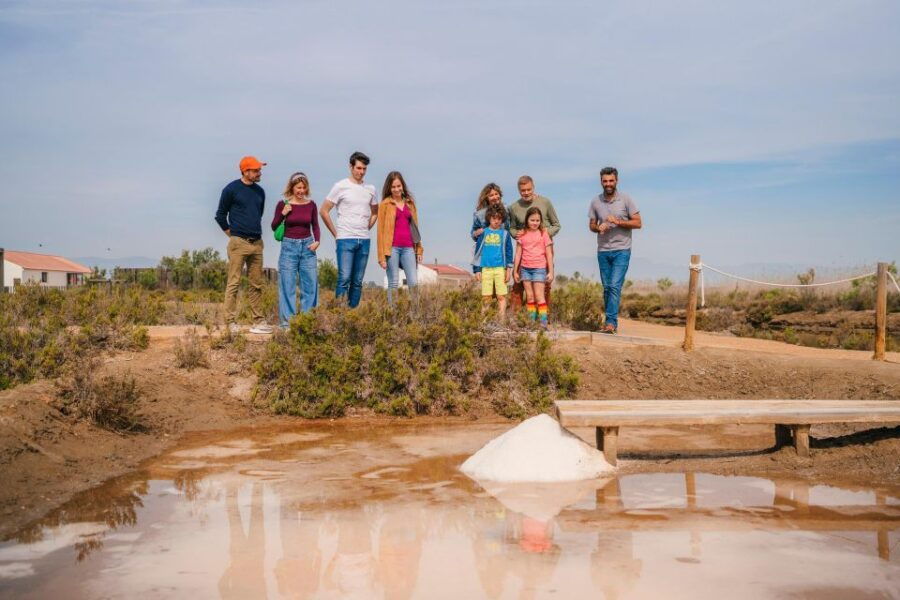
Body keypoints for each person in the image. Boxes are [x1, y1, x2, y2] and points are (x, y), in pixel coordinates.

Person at [214, 155, 273, 334]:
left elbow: (258, 214)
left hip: (257, 243)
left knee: (256, 284)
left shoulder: (260, 192)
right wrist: (233, 236)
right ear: (245, 171)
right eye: (255, 170)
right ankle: (230, 322)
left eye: (259, 170)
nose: (259, 173)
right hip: (238, 243)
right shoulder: (230, 189)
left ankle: (258, 321)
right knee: (234, 282)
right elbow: (220, 215)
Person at [320, 151, 378, 308]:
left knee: (357, 282)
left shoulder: (371, 189)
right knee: (344, 278)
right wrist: (335, 233)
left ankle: (351, 316)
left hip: (364, 240)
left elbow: (375, 212)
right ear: (351, 167)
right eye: (358, 168)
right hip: (345, 239)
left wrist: (367, 227)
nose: (361, 172)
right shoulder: (340, 186)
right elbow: (324, 210)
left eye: (364, 169)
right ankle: (339, 315)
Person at [588, 167, 642, 334]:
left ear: (616, 181)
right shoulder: (595, 201)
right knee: (606, 287)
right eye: (605, 181)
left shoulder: (626, 199)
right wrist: (598, 228)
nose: (608, 184)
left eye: (611, 180)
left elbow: (638, 223)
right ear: (601, 182)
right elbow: (591, 225)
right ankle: (609, 323)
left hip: (622, 250)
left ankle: (611, 324)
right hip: (603, 250)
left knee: (614, 286)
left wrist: (618, 222)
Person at [271, 172, 320, 329]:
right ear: (292, 188)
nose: (301, 191)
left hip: (307, 247)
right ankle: (287, 325)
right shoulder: (282, 204)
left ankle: (308, 323)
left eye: (304, 188)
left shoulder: (311, 205)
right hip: (289, 247)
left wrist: (317, 241)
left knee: (310, 286)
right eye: (298, 187)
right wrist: (283, 214)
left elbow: (315, 225)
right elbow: (273, 226)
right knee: (287, 286)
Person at [507, 176, 561, 310]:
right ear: (519, 190)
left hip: (544, 248)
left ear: (533, 187)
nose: (526, 193)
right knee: (518, 283)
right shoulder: (514, 207)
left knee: (545, 283)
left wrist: (544, 234)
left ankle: (544, 317)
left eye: (528, 189)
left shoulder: (545, 202)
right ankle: (517, 317)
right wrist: (516, 233)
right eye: (522, 190)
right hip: (524, 249)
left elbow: (556, 225)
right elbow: (512, 228)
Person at [377, 171, 423, 306]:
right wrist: (381, 257)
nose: (396, 189)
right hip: (392, 249)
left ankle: (416, 315)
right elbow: (380, 232)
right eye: (393, 187)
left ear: (402, 185)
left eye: (398, 186)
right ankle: (394, 316)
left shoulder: (410, 203)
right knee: (393, 282)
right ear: (389, 188)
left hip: (409, 248)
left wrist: (419, 249)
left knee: (413, 283)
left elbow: (416, 228)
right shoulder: (385, 204)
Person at [513, 206, 554, 326]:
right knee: (530, 297)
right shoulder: (522, 235)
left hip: (539, 269)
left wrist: (550, 271)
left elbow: (549, 254)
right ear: (527, 220)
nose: (535, 223)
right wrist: (515, 271)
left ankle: (543, 324)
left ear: (540, 221)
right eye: (532, 220)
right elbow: (518, 254)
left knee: (540, 297)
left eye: (537, 220)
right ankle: (531, 323)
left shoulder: (544, 234)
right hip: (525, 269)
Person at [472, 205, 514, 318]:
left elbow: (509, 252)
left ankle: (501, 321)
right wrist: (477, 270)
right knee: (486, 296)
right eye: (494, 218)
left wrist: (509, 270)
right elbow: (478, 252)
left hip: (500, 269)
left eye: (499, 218)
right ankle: (483, 321)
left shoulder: (505, 234)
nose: (497, 221)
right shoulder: (483, 233)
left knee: (501, 296)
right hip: (486, 269)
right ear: (489, 218)